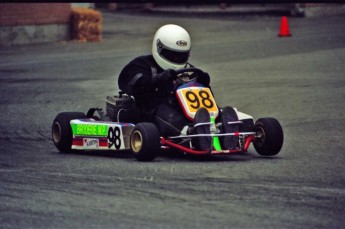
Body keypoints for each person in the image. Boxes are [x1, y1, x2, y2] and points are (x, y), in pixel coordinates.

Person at [118, 24, 238, 151]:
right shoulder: (141, 64)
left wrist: (204, 84)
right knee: (164, 112)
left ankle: (223, 129)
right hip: (151, 113)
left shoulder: (188, 69)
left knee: (216, 111)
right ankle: (191, 133)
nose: (177, 59)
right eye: (172, 55)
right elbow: (132, 83)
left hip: (187, 112)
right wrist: (159, 79)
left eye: (181, 56)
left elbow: (203, 99)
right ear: (159, 48)